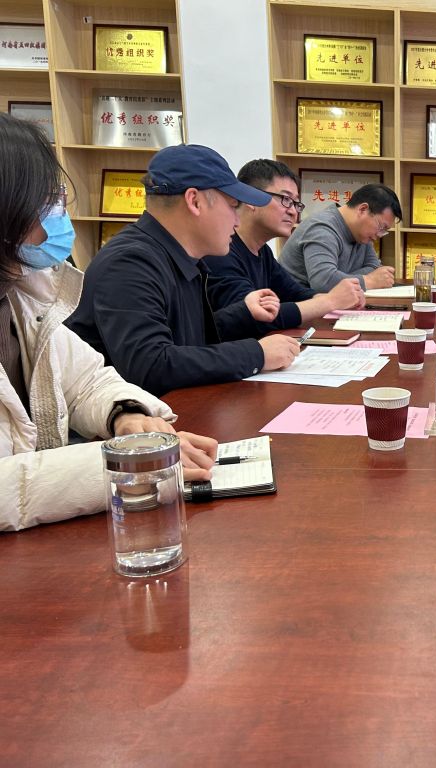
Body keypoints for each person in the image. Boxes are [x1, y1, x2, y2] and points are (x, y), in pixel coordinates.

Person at [0, 114, 217, 531]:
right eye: (45, 201)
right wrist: (122, 464)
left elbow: (87, 381)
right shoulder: (130, 260)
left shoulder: (23, 295)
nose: (58, 215)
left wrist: (125, 415)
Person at [66, 144, 302, 397]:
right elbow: (151, 365)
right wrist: (257, 354)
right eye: (233, 206)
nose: (236, 221)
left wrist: (243, 312)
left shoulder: (181, 258)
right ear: (194, 201)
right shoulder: (129, 263)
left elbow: (189, 339)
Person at [205, 159, 365, 330]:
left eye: (296, 203)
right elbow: (254, 318)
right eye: (286, 199)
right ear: (251, 198)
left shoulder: (262, 251)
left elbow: (294, 293)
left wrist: (338, 298)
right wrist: (331, 301)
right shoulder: (220, 253)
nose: (293, 211)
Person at [279, 183, 401, 292]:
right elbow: (323, 281)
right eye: (381, 227)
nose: (379, 235)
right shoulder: (322, 228)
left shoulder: (362, 234)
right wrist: (369, 281)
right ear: (363, 209)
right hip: (295, 305)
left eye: (384, 231)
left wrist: (338, 277)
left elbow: (374, 268)